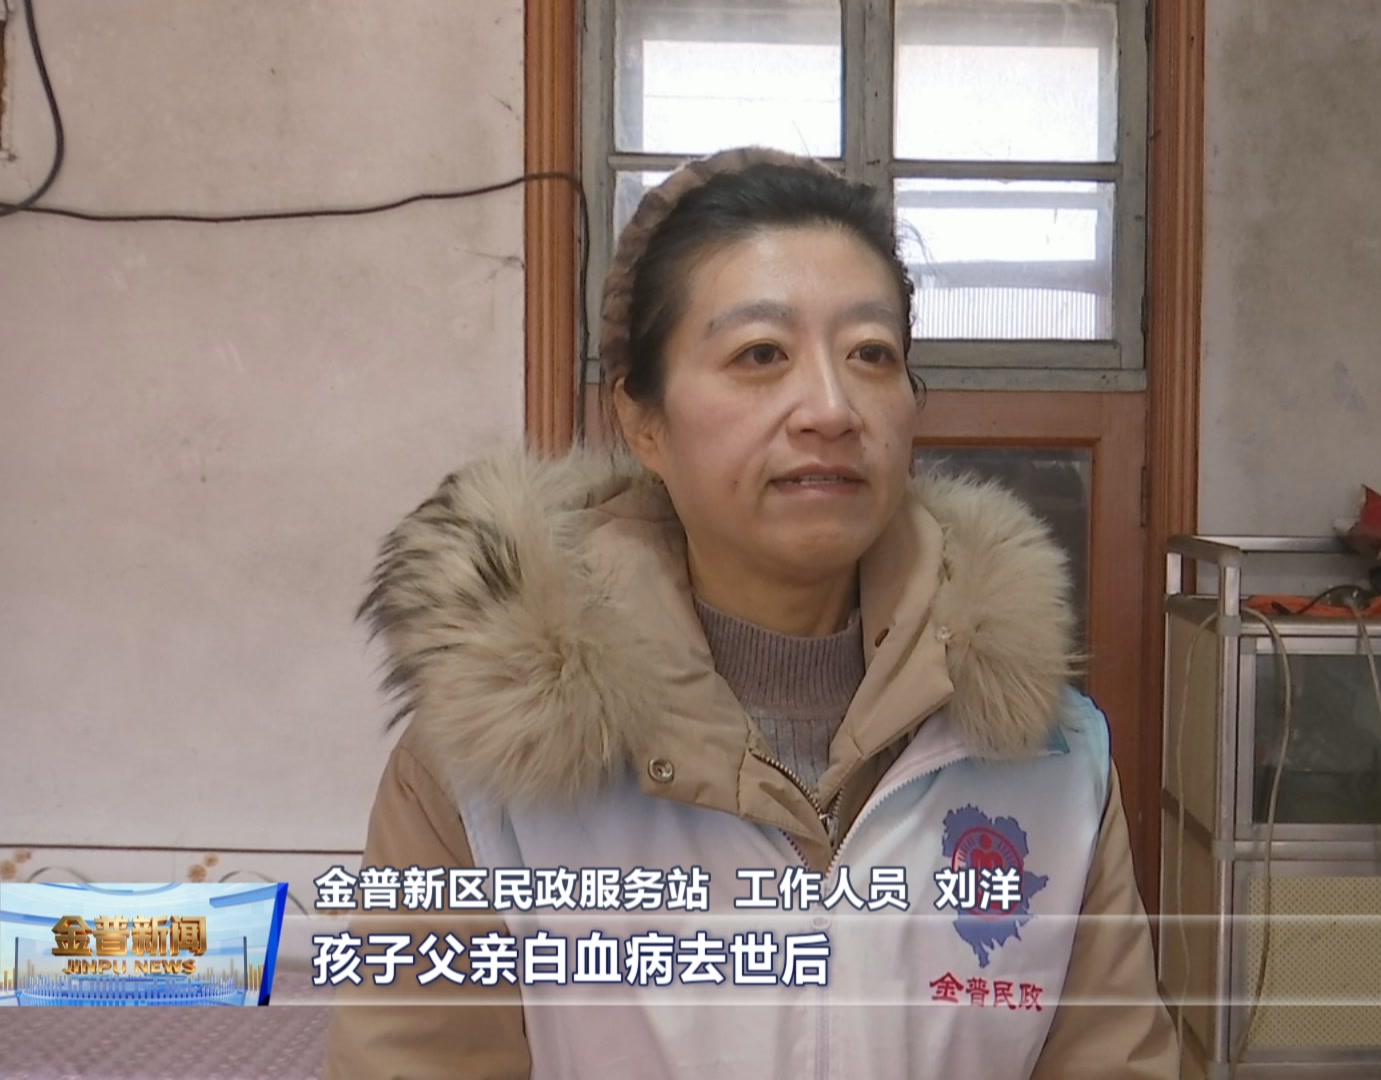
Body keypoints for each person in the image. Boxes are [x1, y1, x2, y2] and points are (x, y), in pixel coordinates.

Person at [321, 146, 1177, 1079]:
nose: (831, 408)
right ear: (643, 422)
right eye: (760, 354)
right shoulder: (489, 765)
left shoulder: (1051, 759)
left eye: (871, 355)